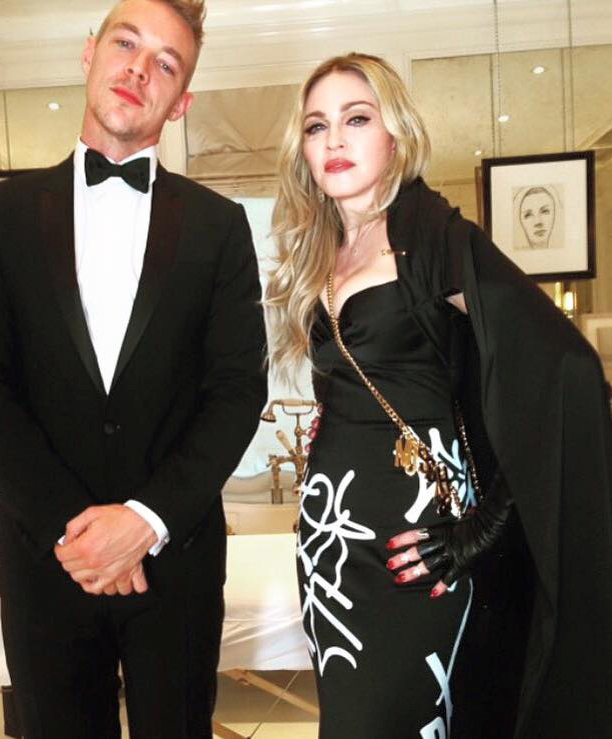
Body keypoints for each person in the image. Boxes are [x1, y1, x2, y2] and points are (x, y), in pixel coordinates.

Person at [0, 1, 267, 737]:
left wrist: (145, 520)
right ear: (89, 54)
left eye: (165, 63)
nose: (139, 69)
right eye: (126, 43)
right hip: (44, 562)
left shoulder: (220, 225)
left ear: (180, 103)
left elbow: (237, 390)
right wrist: (74, 529)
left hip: (176, 563)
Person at [266, 53, 612, 738]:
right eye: (316, 125)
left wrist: (484, 527)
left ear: (394, 133)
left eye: (356, 119)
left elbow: (566, 375)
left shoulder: (433, 239)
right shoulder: (320, 250)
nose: (334, 140)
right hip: (331, 549)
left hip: (411, 547)